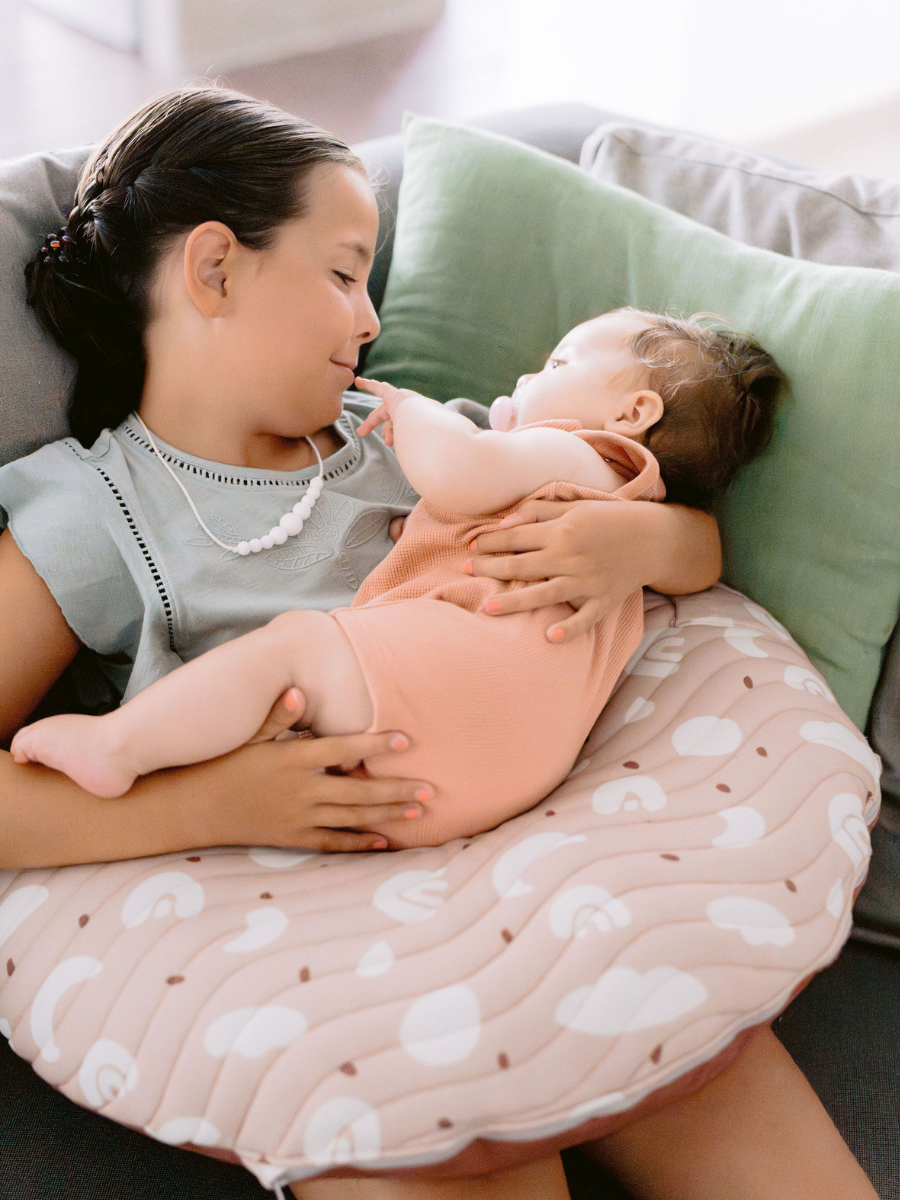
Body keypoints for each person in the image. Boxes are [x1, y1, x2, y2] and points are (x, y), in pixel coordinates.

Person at [0, 87, 875, 1200]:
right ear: (214, 269)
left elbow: (680, 537)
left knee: (721, 1084)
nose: (371, 321)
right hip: (329, 938)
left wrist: (638, 538)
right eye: (343, 275)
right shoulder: (95, 513)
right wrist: (210, 805)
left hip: (544, 869)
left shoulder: (403, 435)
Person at [12, 309, 777, 855]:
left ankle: (120, 744)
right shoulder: (607, 486)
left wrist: (413, 409)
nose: (371, 320)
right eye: (342, 272)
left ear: (633, 412)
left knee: (293, 647)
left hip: (459, 687)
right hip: (501, 762)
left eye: (558, 366)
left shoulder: (576, 453)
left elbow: (458, 468)